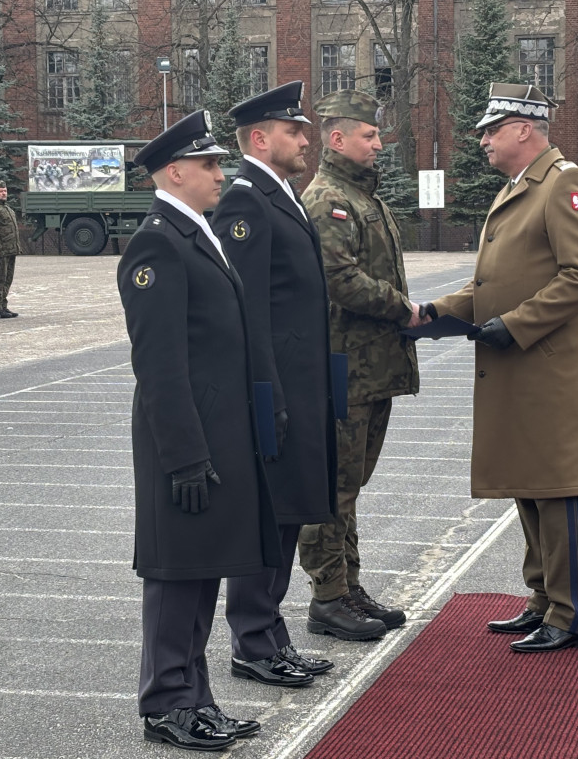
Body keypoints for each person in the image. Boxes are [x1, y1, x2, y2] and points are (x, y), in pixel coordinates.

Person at [420, 83, 578, 653]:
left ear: (525, 128)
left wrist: (516, 324)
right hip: (519, 368)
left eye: (491, 129)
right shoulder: (519, 189)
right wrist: (431, 312)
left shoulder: (563, 184)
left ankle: (570, 613)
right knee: (529, 484)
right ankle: (543, 598)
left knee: (555, 488)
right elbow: (486, 285)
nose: (482, 140)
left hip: (546, 368)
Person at [118, 109, 281, 752]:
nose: (221, 172)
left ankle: (197, 698)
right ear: (176, 171)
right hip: (182, 441)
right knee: (176, 574)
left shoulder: (196, 231)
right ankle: (166, 703)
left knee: (202, 571)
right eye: (210, 164)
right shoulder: (157, 242)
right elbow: (158, 363)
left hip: (215, 435)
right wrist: (184, 456)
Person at [210, 81, 338, 686]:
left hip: (302, 385)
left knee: (287, 513)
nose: (306, 138)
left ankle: (269, 636)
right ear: (260, 139)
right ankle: (254, 642)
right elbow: (249, 310)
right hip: (275, 391)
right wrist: (268, 395)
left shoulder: (280, 195)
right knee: (269, 514)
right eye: (294, 130)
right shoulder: (245, 203)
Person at [296, 90, 421, 641]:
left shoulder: (362, 196)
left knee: (352, 484)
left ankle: (348, 586)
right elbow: (338, 279)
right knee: (333, 486)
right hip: (343, 367)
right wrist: (405, 309)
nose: (378, 143)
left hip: (373, 368)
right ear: (338, 138)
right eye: (369, 136)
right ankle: (327, 597)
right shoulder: (327, 198)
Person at [0, 181, 19, 318]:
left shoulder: (7, 208)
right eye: (0, 191)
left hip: (11, 250)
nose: (3, 193)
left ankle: (3, 304)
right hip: (1, 250)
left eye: (5, 191)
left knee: (8, 278)